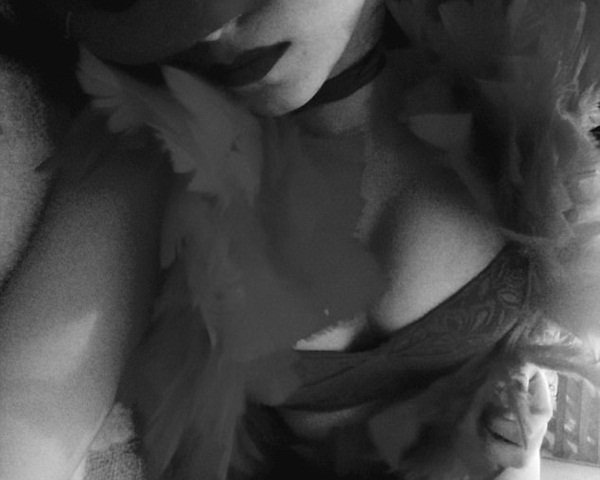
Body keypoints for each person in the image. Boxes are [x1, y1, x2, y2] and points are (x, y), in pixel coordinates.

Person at [0, 0, 598, 479]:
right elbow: (32, 406)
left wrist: (520, 462)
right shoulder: (148, 153)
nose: (215, 33)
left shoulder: (529, 63)